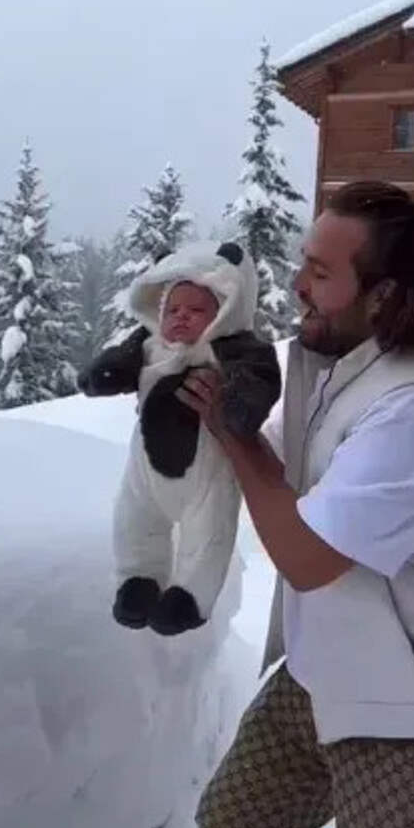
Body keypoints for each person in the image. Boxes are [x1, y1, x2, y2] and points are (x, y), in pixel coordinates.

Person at [181, 182, 414, 828]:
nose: (298, 285)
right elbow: (291, 460)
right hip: (331, 672)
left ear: (385, 296)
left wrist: (236, 438)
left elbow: (308, 556)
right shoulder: (340, 358)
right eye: (302, 262)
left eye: (320, 272)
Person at [78, 240, 281, 636]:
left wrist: (239, 406)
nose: (182, 318)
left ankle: (190, 598)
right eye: (173, 310)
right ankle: (138, 581)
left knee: (207, 534)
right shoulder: (150, 346)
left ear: (223, 311)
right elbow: (112, 368)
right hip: (145, 474)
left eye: (196, 310)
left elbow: (260, 380)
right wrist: (101, 375)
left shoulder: (230, 350)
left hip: (206, 476)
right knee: (134, 521)